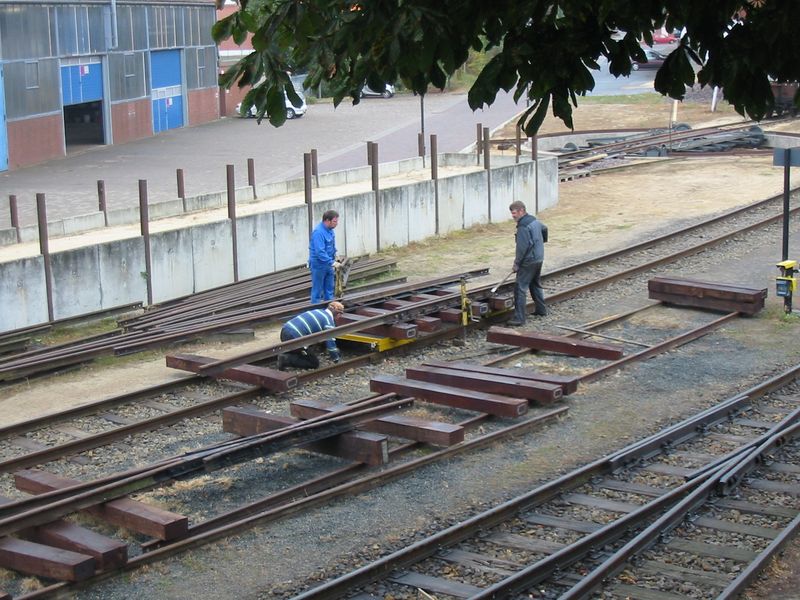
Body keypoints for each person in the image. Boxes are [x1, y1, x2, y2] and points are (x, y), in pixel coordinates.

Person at [508, 200, 548, 326]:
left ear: (521, 211)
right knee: (535, 284)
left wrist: (517, 263)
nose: (513, 216)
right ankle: (541, 310)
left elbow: (522, 247)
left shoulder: (523, 226)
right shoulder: (533, 220)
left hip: (528, 261)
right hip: (539, 258)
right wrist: (541, 243)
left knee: (520, 288)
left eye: (514, 213)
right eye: (512, 213)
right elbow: (544, 229)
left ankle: (519, 318)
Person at [277, 301, 344, 370]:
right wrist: (336, 359)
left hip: (284, 331)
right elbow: (330, 342)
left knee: (305, 349)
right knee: (314, 363)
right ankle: (286, 359)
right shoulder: (328, 321)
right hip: (294, 336)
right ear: (338, 314)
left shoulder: (318, 311)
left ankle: (289, 354)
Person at [309, 209, 340, 303]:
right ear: (327, 220)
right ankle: (316, 309)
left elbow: (331, 247)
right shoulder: (318, 233)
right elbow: (320, 252)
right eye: (335, 221)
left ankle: (329, 309)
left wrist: (335, 257)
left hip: (328, 264)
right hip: (319, 265)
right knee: (317, 290)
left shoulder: (330, 231)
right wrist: (332, 262)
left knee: (329, 289)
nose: (337, 223)